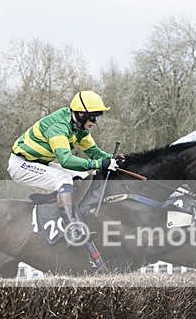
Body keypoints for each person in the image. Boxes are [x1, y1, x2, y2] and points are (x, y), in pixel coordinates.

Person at [7, 90, 118, 235]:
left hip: (41, 163)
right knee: (63, 179)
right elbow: (65, 160)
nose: (96, 122)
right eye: (93, 117)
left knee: (84, 175)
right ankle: (71, 228)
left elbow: (95, 153)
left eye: (98, 117)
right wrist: (97, 165)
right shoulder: (58, 127)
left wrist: (115, 159)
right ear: (80, 114)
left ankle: (78, 213)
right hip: (21, 164)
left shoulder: (79, 128)